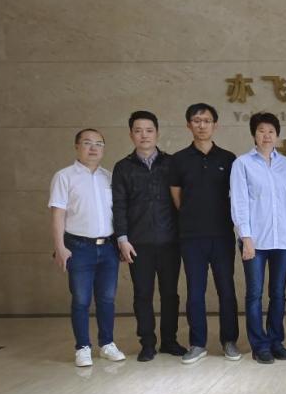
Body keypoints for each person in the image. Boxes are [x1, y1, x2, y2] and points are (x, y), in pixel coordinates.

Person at [112, 110, 187, 362]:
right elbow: (119, 205)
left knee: (170, 294)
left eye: (149, 130)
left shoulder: (171, 163)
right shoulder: (123, 167)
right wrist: (122, 239)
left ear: (157, 133)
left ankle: (169, 341)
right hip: (138, 243)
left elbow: (181, 201)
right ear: (131, 134)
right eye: (138, 131)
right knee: (142, 294)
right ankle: (147, 343)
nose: (144, 135)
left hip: (170, 241)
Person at [168, 103, 240, 364]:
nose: (202, 125)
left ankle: (229, 340)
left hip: (222, 234)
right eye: (196, 121)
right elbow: (177, 197)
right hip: (191, 237)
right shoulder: (179, 160)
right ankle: (197, 343)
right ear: (189, 125)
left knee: (226, 290)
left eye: (206, 121)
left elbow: (236, 196)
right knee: (195, 292)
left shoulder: (228, 159)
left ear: (215, 125)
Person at [49, 128, 125, 367]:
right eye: (87, 143)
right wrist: (59, 247)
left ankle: (107, 344)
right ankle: (82, 347)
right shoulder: (64, 176)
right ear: (77, 146)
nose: (93, 148)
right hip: (79, 247)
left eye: (99, 144)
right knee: (81, 299)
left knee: (107, 299)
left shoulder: (109, 177)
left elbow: (119, 213)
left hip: (109, 247)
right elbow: (58, 215)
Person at [230, 112, 286, 365]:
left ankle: (276, 341)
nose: (266, 136)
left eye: (271, 131)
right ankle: (259, 345)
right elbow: (239, 202)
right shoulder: (242, 164)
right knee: (255, 293)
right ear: (253, 134)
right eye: (261, 131)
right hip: (255, 241)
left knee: (278, 293)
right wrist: (245, 237)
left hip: (283, 239)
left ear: (277, 135)